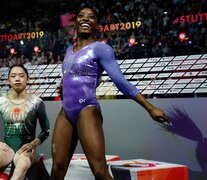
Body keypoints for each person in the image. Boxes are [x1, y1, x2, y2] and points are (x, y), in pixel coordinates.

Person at [51, 6, 170, 180]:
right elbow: (75, 75)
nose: (85, 19)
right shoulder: (69, 50)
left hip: (87, 110)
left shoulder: (101, 49)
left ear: (97, 24)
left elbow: (121, 82)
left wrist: (149, 107)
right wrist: (64, 86)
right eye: (81, 16)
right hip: (65, 113)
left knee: (99, 171)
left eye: (91, 17)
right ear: (75, 23)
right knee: (57, 170)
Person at [0, 64, 50, 180]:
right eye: (13, 76)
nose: (17, 79)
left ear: (28, 79)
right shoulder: (2, 101)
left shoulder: (36, 102)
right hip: (7, 149)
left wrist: (34, 143)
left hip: (26, 149)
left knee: (20, 170)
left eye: (21, 76)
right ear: (8, 80)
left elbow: (46, 130)